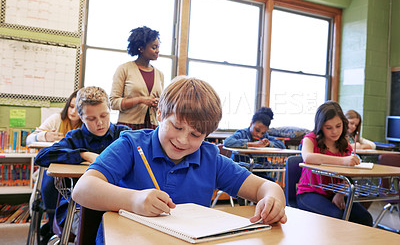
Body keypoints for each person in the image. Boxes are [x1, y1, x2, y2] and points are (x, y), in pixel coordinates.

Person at [72, 76, 287, 244]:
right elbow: (83, 189)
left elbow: (265, 187)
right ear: (160, 115)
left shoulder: (209, 157)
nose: (183, 140)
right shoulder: (131, 145)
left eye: (196, 135)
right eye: (177, 127)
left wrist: (273, 200)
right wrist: (134, 200)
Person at [34, 86, 131, 239]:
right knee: (94, 230)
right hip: (80, 208)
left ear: (109, 110)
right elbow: (42, 157)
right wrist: (83, 154)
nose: (100, 123)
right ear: (80, 116)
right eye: (91, 119)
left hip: (119, 205)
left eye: (104, 115)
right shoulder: (75, 137)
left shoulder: (123, 134)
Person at [296, 101, 373, 226]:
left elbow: (349, 173)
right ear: (320, 126)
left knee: (365, 218)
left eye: (338, 126)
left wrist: (340, 193)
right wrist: (343, 161)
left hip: (334, 193)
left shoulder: (345, 145)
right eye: (328, 127)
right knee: (336, 215)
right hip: (309, 193)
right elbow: (308, 157)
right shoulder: (310, 139)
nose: (335, 131)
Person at [27, 90, 82, 243]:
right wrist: (45, 136)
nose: (73, 111)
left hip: (75, 172)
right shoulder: (56, 119)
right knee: (50, 184)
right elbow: (29, 139)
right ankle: (53, 224)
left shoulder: (86, 124)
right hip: (53, 170)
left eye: (77, 108)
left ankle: (64, 226)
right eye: (71, 106)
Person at [110, 26, 164, 130]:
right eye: (154, 47)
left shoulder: (159, 74)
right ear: (141, 48)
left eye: (158, 47)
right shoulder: (124, 69)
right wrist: (141, 100)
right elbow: (113, 103)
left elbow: (162, 105)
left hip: (152, 128)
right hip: (128, 127)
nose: (157, 51)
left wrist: (158, 103)